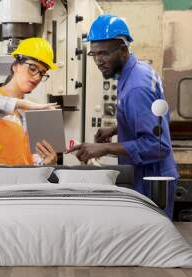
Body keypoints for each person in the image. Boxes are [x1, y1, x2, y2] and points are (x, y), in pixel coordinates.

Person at [67, 15, 179, 218]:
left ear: (123, 50)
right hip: (147, 176)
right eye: (94, 54)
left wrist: (104, 147)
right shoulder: (138, 71)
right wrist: (118, 127)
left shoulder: (136, 87)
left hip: (151, 180)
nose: (98, 61)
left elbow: (158, 145)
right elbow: (151, 120)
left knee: (148, 245)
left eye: (104, 54)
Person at [0, 37, 59, 166]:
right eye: (33, 68)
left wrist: (47, 162)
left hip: (21, 184)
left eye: (42, 73)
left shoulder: (29, 114)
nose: (37, 77)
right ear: (15, 66)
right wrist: (23, 104)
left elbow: (29, 158)